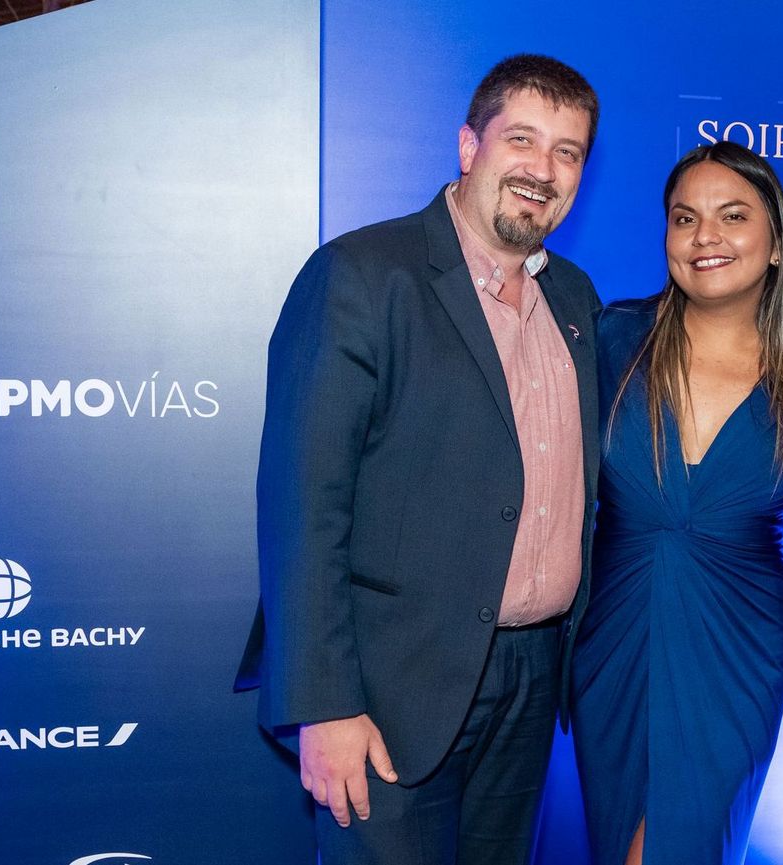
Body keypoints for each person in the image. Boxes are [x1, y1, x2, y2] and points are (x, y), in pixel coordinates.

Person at [234, 55, 602, 864]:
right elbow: (303, 504)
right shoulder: (363, 275)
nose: (542, 169)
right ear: (470, 146)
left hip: (533, 679)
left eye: (568, 152)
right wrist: (324, 703)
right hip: (389, 688)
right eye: (522, 139)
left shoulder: (574, 297)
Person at [571, 140, 783, 865]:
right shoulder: (613, 337)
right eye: (685, 218)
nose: (704, 236)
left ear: (777, 243)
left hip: (737, 647)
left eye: (733, 215)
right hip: (614, 635)